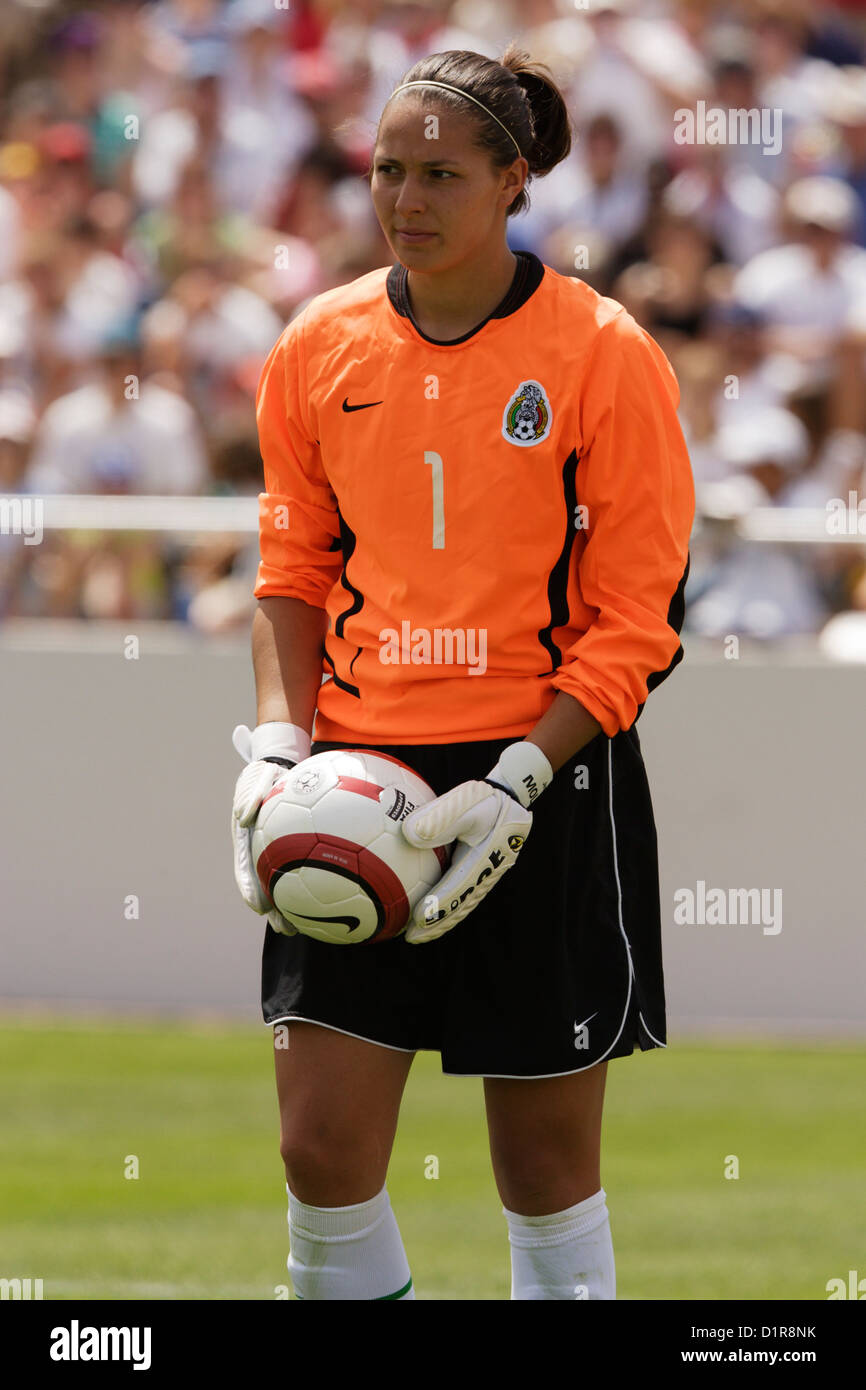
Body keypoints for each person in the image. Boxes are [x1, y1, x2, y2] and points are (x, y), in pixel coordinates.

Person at [231, 42, 695, 1301]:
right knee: (318, 1149)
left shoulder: (602, 351)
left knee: (543, 1171)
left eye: (439, 172)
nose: (405, 199)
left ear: (512, 182)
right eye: (387, 170)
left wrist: (520, 777)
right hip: (352, 780)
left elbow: (637, 613)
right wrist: (281, 741)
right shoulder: (318, 343)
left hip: (541, 785)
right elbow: (292, 561)